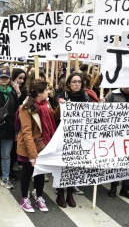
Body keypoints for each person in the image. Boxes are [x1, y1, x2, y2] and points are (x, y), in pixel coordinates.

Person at [17, 79, 60, 213]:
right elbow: (26, 132)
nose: (49, 92)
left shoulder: (46, 103)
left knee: (40, 172)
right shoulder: (25, 108)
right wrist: (32, 155)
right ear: (39, 93)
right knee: (27, 172)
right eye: (46, 90)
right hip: (29, 146)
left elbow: (53, 117)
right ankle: (24, 198)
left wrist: (60, 107)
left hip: (44, 145)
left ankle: (39, 196)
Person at [56, 72, 91, 206]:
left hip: (79, 135)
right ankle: (60, 193)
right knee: (62, 164)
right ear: (69, 83)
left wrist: (99, 104)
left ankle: (70, 193)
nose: (77, 84)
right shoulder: (62, 95)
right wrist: (61, 104)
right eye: (74, 82)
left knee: (74, 165)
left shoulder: (86, 96)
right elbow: (56, 112)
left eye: (79, 82)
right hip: (64, 135)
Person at [105, 87, 129, 198]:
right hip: (116, 134)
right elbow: (102, 112)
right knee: (116, 160)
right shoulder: (112, 95)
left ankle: (125, 188)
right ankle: (113, 186)